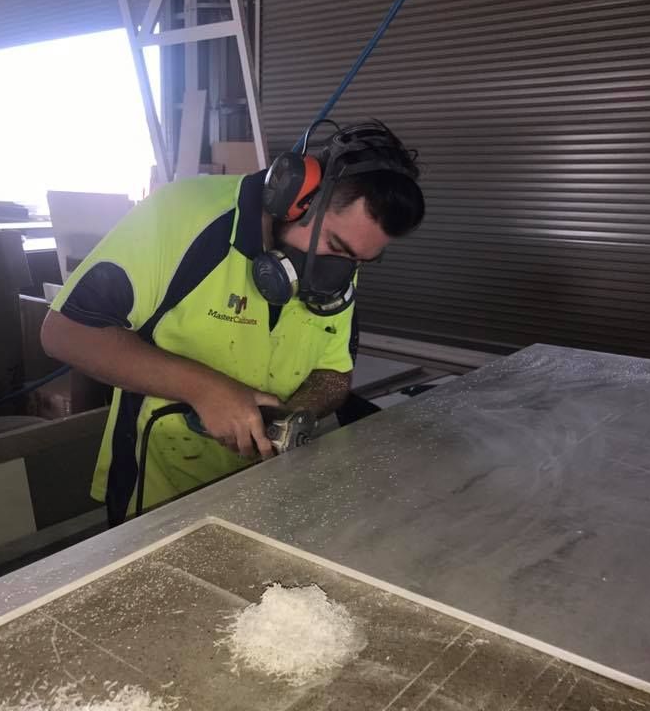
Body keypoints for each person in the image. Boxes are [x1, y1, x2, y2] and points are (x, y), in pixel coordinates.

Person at [41, 120, 425, 525]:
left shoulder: (341, 264)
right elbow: (65, 333)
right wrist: (205, 390)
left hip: (265, 497)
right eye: (335, 246)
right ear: (298, 197)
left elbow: (334, 370)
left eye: (358, 260)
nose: (338, 273)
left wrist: (290, 421)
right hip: (158, 499)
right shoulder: (182, 215)